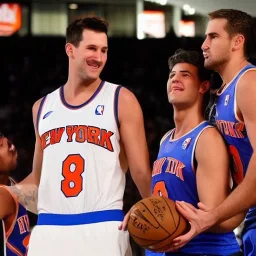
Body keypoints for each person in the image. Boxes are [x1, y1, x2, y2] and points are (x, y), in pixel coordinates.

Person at [7, 17, 152, 256]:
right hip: (49, 230)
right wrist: (8, 193)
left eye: (104, 50)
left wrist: (159, 215)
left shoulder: (121, 99)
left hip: (103, 227)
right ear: (70, 49)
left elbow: (141, 172)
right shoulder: (41, 107)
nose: (99, 57)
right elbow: (38, 178)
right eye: (92, 48)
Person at [170, 9, 256, 255]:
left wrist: (211, 216)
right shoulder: (220, 97)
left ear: (237, 42)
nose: (204, 44)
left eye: (213, 37)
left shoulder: (249, 82)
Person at [146, 49, 243, 256]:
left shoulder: (206, 138)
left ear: (203, 86)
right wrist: (144, 217)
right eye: (172, 75)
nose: (175, 79)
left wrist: (164, 224)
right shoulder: (166, 139)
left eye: (185, 75)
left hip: (204, 250)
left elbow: (214, 218)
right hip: (169, 249)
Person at [0, 132, 30, 255]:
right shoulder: (3, 195)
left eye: (10, 143)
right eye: (1, 145)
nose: (12, 148)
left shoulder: (12, 184)